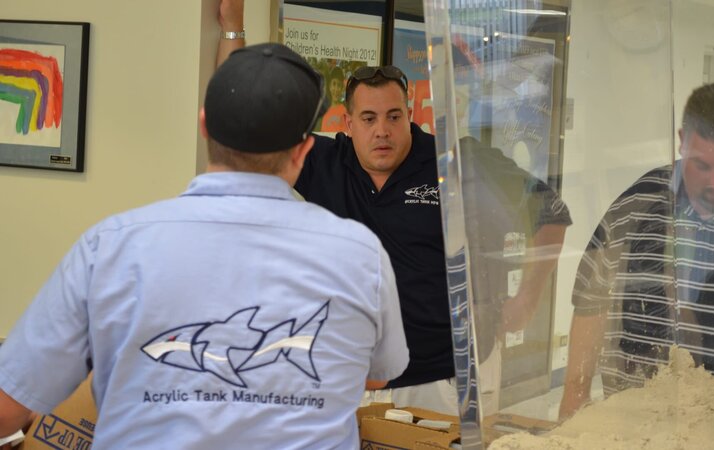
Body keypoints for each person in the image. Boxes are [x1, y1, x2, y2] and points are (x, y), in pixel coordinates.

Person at [0, 42, 408, 449]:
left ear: (204, 126)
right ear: (303, 149)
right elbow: (377, 374)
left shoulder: (109, 247)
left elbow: (8, 409)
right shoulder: (361, 254)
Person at [216, 0, 571, 416]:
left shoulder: (455, 162)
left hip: (441, 378)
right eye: (368, 119)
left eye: (393, 116)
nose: (382, 130)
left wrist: (528, 298)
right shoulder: (325, 163)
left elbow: (551, 212)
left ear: (410, 115)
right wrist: (232, 29)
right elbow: (244, 127)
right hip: (347, 378)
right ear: (346, 124)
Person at [559, 80, 714, 419]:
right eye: (701, 165)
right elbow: (592, 296)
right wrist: (575, 397)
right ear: (681, 142)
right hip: (640, 420)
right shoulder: (640, 201)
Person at [320, 66, 347, 133]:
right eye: (334, 84)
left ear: (342, 89)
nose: (336, 89)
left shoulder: (344, 111)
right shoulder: (324, 110)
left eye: (339, 85)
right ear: (329, 86)